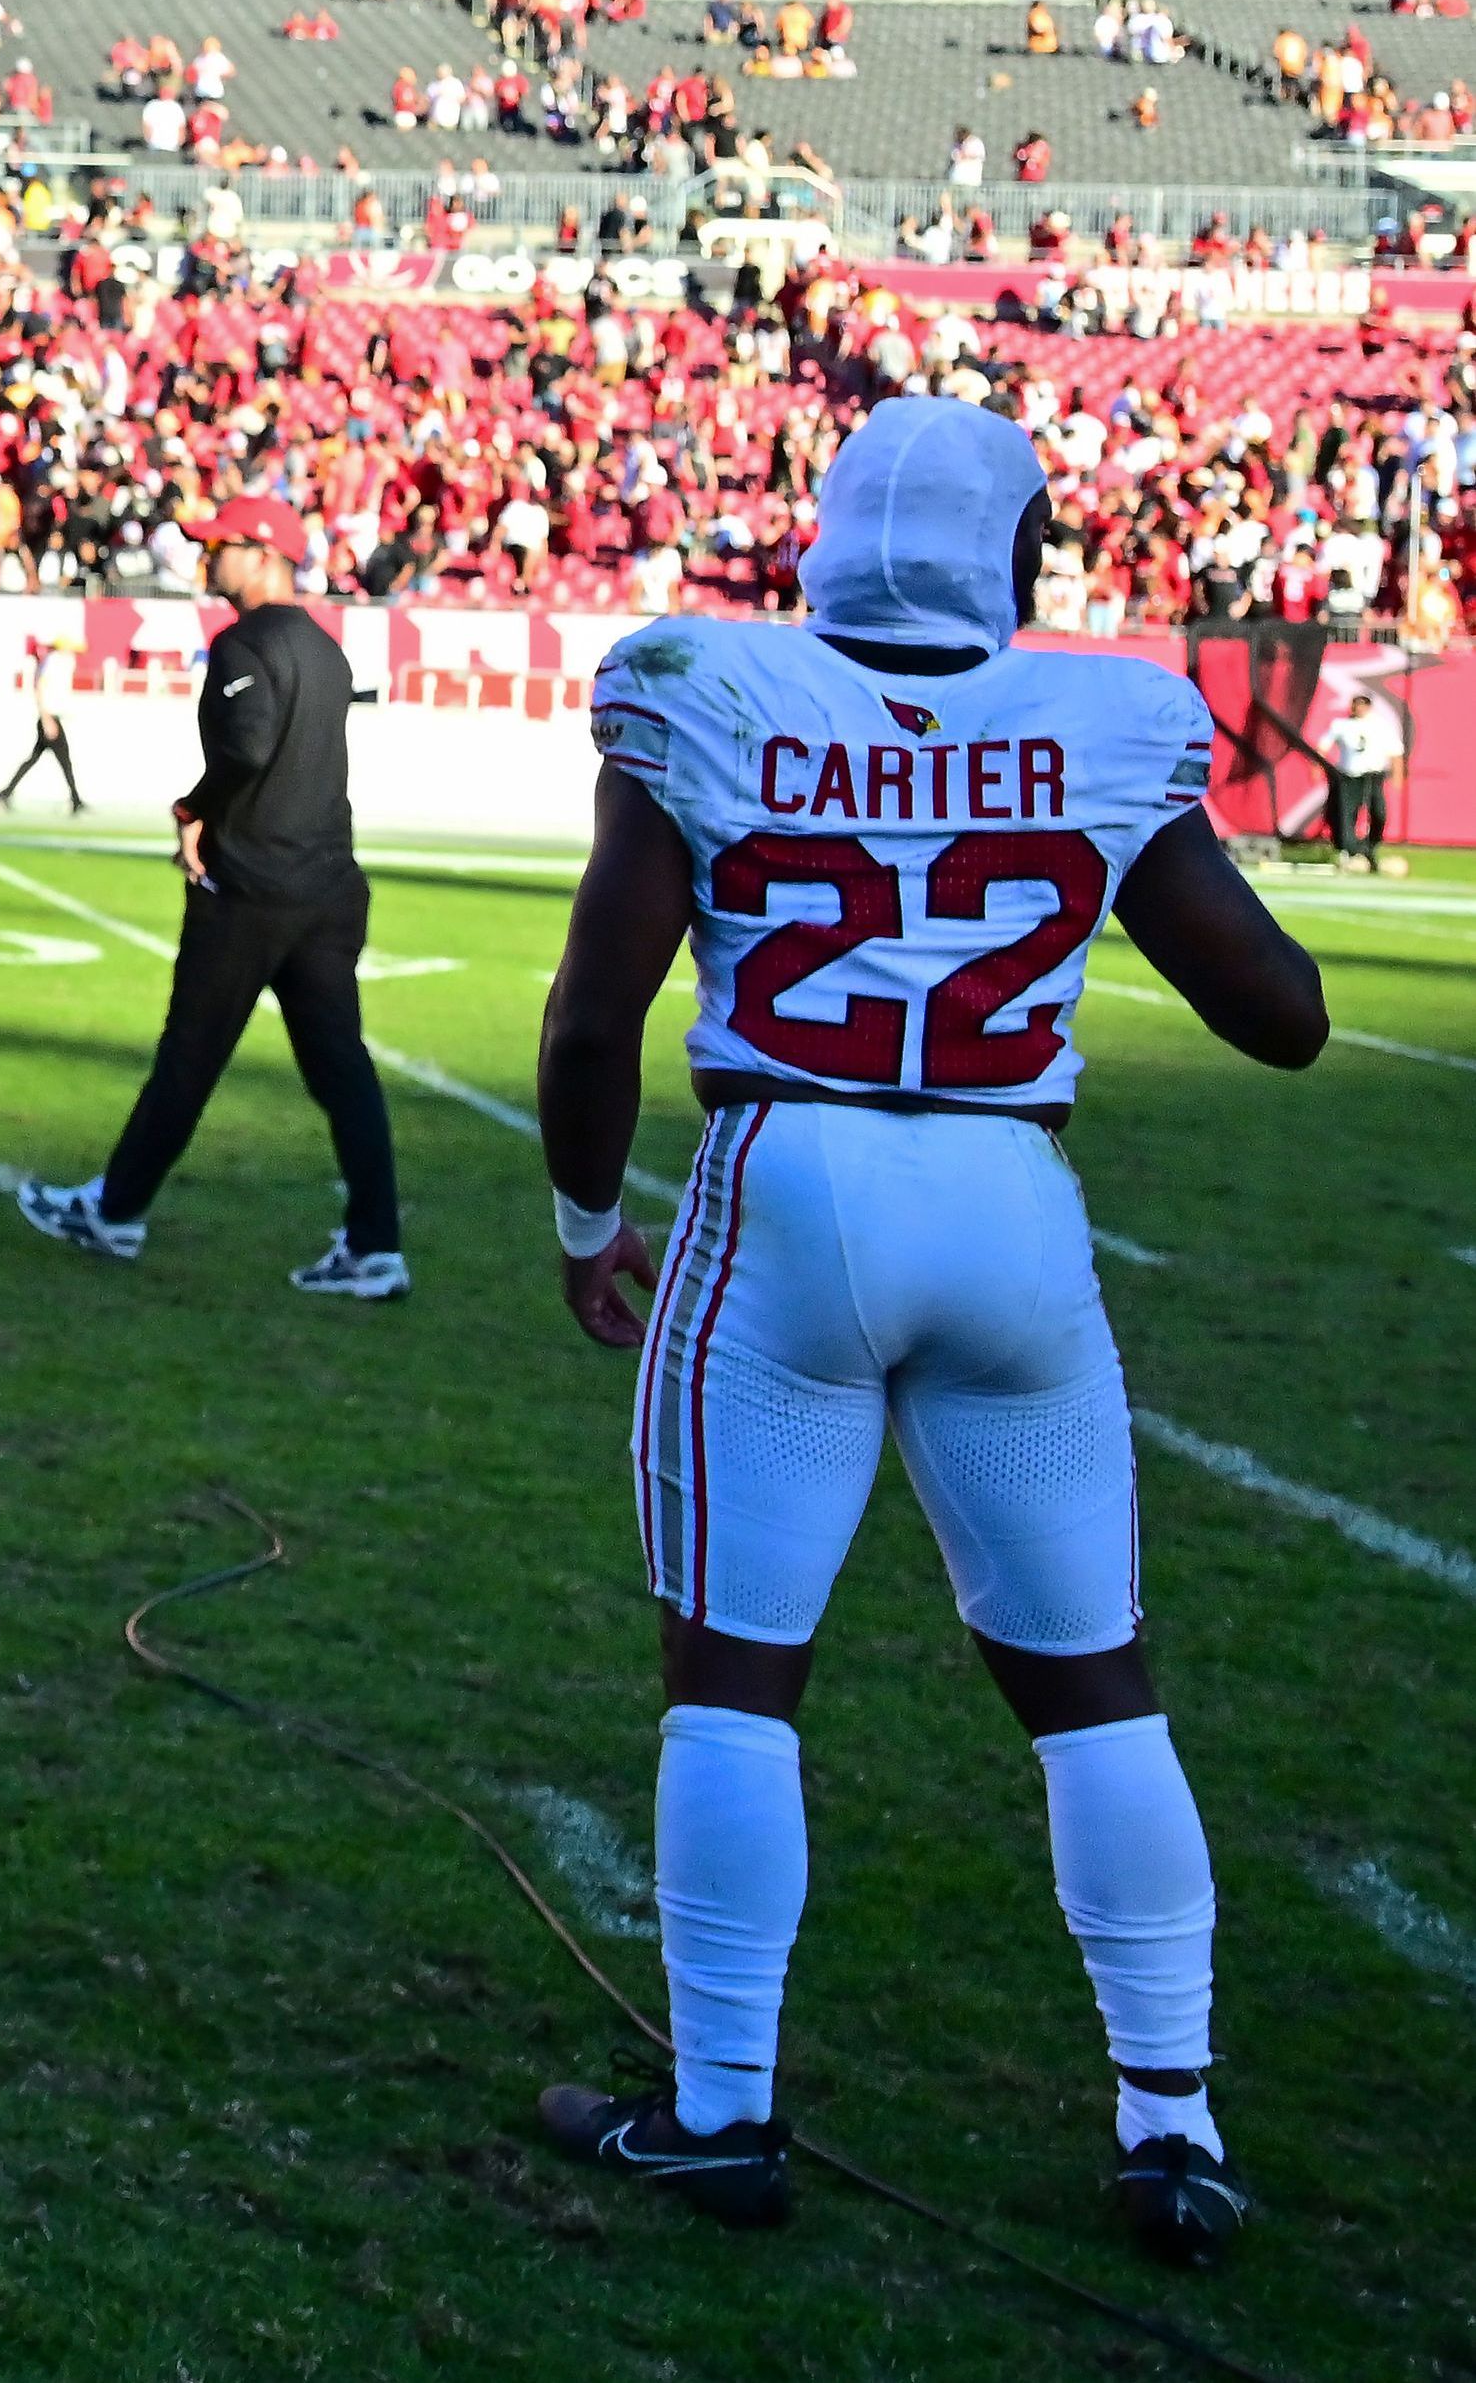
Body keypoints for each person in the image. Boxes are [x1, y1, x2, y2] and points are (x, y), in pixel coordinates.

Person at [528, 394, 1325, 2264]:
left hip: (782, 1184)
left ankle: (721, 2113)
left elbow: (590, 1012)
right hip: (1007, 1199)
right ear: (1012, 550)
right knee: (1090, 1682)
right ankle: (1173, 2127)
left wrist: (580, 1219)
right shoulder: (1107, 715)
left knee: (732, 1678)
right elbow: (1281, 1016)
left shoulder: (701, 683)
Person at [11, 493, 405, 1298]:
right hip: (328, 887)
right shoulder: (328, 651)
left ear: (263, 554)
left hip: (250, 890)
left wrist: (195, 808)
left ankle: (116, 1213)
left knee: (188, 1059)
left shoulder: (242, 645)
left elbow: (250, 746)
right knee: (343, 1071)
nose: (207, 557)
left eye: (221, 545)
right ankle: (377, 1246)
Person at [0, 631, 84, 811]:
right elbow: (40, 688)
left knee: (37, 759)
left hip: (51, 717)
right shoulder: (53, 662)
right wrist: (46, 718)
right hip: (49, 718)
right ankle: (75, 801)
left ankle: (5, 794)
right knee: (63, 761)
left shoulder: (60, 662)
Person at [1323, 685, 1403, 871]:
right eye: (1356, 704)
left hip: (1373, 776)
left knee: (1378, 813)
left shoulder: (1380, 726)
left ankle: (1370, 847)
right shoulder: (1341, 725)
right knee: (1347, 814)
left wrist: (1398, 774)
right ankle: (1349, 851)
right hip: (1350, 776)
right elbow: (1323, 746)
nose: (1358, 708)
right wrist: (1318, 767)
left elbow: (1395, 751)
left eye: (1362, 704)